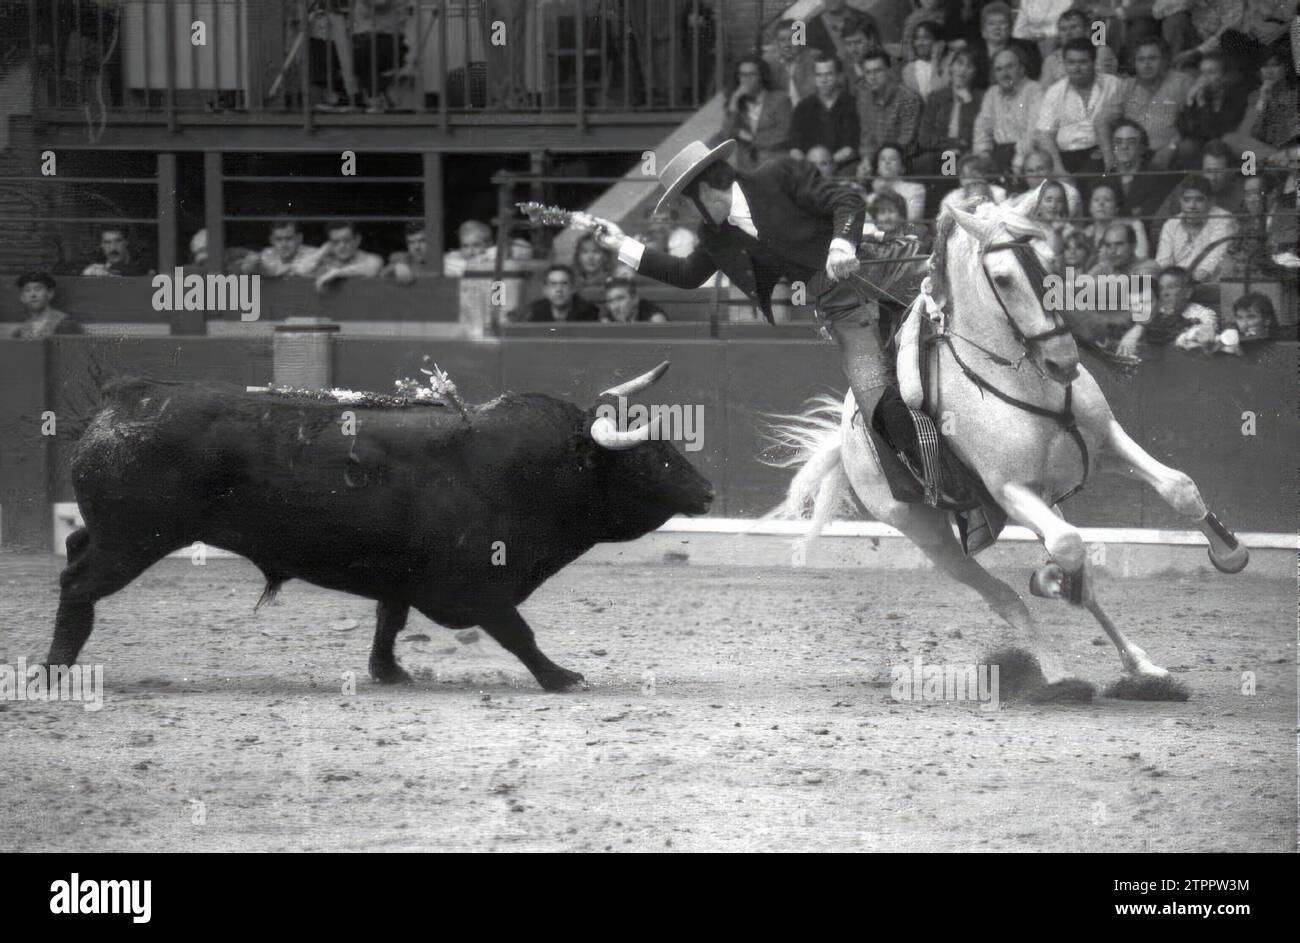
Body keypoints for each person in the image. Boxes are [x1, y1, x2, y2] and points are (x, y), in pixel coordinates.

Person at [571, 139, 920, 429]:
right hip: (839, 307)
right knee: (874, 398)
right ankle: (936, 485)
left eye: (686, 203)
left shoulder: (777, 174)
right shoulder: (715, 235)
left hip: (880, 266)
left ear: (705, 191)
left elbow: (846, 201)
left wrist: (841, 244)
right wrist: (621, 245)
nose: (689, 214)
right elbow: (686, 275)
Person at [1034, 39, 1124, 176]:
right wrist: (1059, 170)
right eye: (1071, 63)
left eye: (1083, 62)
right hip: (1065, 157)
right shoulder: (1055, 91)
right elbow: (1045, 134)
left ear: (1094, 63)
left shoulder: (1113, 85)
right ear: (1064, 64)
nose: (1077, 68)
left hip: (1101, 152)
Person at [1115, 36, 1194, 170]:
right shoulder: (1126, 86)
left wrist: (1171, 147)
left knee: (1188, 147)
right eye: (1141, 59)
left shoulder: (1182, 82)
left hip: (1169, 151)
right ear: (1134, 63)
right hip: (1133, 153)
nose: (1146, 65)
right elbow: (1105, 119)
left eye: (1152, 58)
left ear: (1164, 60)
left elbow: (1192, 127)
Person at [1115, 264, 1220, 355]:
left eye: (1171, 287)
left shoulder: (1204, 315)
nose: (1165, 293)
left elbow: (1201, 334)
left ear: (1188, 291)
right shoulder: (1157, 309)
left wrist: (1140, 327)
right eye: (1161, 288)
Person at [973, 47, 1043, 174]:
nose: (1004, 74)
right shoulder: (992, 93)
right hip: (998, 153)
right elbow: (982, 129)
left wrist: (1020, 157)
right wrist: (983, 154)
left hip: (1027, 152)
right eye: (999, 69)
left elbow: (1034, 131)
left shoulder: (1035, 90)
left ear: (1022, 69)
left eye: (1009, 67)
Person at [1154, 174, 1237, 281]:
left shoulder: (1222, 219)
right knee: (1145, 270)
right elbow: (1163, 263)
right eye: (1186, 200)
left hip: (1209, 282)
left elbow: (1210, 265)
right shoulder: (1171, 224)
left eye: (1199, 200)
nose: (1192, 206)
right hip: (1175, 283)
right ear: (1180, 201)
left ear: (1211, 201)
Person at [1173, 51, 1249, 165]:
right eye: (1203, 73)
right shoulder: (1202, 94)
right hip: (1203, 142)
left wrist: (1202, 104)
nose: (1205, 78)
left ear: (1224, 75)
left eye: (1211, 72)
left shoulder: (1235, 94)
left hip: (1229, 142)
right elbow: (1183, 129)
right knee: (1186, 147)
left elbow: (1218, 131)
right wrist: (1188, 102)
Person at [914, 49, 981, 175]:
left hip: (968, 157)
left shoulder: (980, 100)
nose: (963, 70)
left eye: (969, 66)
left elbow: (975, 138)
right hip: (941, 154)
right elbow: (924, 138)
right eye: (960, 63)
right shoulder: (936, 97)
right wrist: (955, 143)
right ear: (951, 67)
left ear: (975, 72)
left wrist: (968, 104)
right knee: (943, 163)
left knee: (951, 166)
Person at [788, 54, 860, 173]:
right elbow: (794, 148)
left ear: (839, 76)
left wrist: (827, 164)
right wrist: (812, 166)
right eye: (819, 75)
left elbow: (852, 147)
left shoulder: (853, 105)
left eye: (829, 74)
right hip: (809, 169)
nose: (823, 79)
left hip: (844, 168)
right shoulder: (803, 107)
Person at [720, 58, 793, 171]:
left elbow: (783, 134)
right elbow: (728, 135)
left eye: (751, 74)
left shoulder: (780, 99)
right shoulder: (737, 104)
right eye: (742, 75)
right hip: (746, 166)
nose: (746, 80)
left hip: (774, 162)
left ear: (761, 77)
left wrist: (750, 139)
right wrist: (734, 101)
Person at [856, 50, 923, 170]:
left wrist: (881, 163)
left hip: (903, 161)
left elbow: (906, 140)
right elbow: (866, 138)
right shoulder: (864, 99)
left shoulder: (908, 98)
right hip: (877, 161)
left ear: (889, 70)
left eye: (878, 71)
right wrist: (866, 161)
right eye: (868, 72)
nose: (872, 77)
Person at [965, 1, 1042, 88]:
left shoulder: (1028, 49)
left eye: (1002, 23)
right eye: (991, 24)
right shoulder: (971, 52)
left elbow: (1032, 81)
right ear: (983, 30)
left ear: (1010, 28)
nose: (997, 28)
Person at [1038, 7, 1120, 88]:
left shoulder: (1101, 52)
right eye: (1063, 29)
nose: (1068, 33)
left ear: (1086, 30)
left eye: (1074, 27)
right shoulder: (1051, 59)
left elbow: (1102, 86)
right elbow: (1044, 91)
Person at [301, 220, 384, 291]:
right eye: (336, 242)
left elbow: (374, 267)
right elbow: (301, 270)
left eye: (347, 240)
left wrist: (338, 273)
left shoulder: (369, 259)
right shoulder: (325, 259)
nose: (342, 246)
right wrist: (322, 251)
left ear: (357, 240)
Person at [1078, 181, 1151, 259]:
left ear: (1116, 208)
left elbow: (1142, 259)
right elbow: (1070, 266)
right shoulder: (1082, 235)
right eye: (1096, 200)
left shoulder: (1130, 229)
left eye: (1107, 200)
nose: (1101, 203)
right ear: (1090, 208)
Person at [510, 264, 600, 322]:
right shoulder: (532, 313)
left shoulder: (590, 314)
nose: (558, 289)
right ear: (545, 290)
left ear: (573, 288)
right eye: (553, 284)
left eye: (564, 284)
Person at [867, 142, 928, 221]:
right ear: (877, 168)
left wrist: (885, 190)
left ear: (902, 167)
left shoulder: (916, 190)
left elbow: (912, 220)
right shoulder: (870, 198)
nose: (887, 162)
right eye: (882, 159)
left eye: (893, 159)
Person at [10, 272, 82, 338]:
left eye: (38, 289)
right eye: (27, 290)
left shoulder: (67, 324)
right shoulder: (19, 333)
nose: (33, 295)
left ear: (50, 293)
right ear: (22, 297)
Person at [767, 19, 820, 105]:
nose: (787, 45)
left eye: (792, 39)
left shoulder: (813, 60)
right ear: (776, 42)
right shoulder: (771, 66)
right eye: (782, 40)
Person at [248, 219, 318, 277]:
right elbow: (249, 268)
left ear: (299, 238)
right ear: (271, 240)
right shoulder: (267, 254)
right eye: (278, 239)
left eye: (289, 238)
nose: (284, 245)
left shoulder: (314, 254)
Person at [901, 20, 948, 100]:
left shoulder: (947, 68)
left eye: (926, 38)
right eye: (917, 38)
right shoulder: (909, 69)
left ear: (939, 42)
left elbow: (938, 92)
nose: (920, 43)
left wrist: (935, 60)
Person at [81, 226, 152, 277]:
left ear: (126, 242)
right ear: (101, 245)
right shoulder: (93, 272)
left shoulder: (144, 267)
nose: (113, 247)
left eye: (118, 241)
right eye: (107, 242)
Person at [602, 277, 668, 323]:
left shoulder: (653, 316)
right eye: (610, 301)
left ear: (635, 299)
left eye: (620, 298)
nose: (615, 306)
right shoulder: (606, 318)